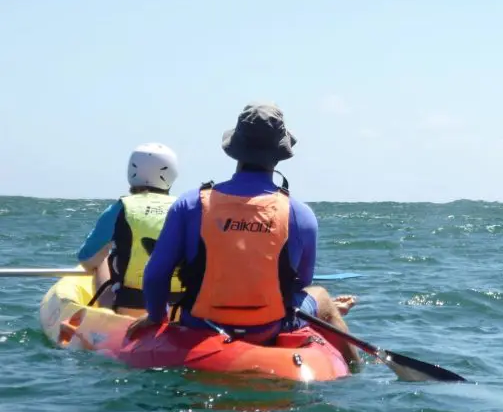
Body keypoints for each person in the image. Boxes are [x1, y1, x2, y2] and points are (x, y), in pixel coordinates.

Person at [125, 102, 361, 366]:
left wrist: (155, 318)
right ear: (279, 154)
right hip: (268, 327)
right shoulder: (300, 213)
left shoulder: (190, 203)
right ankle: (355, 369)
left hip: (200, 323)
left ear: (236, 150)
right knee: (322, 297)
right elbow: (301, 281)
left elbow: (156, 275)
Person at [77, 143, 185, 317]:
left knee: (100, 259)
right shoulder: (187, 207)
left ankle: (106, 315)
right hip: (181, 307)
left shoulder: (121, 208)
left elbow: (87, 260)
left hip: (131, 306)